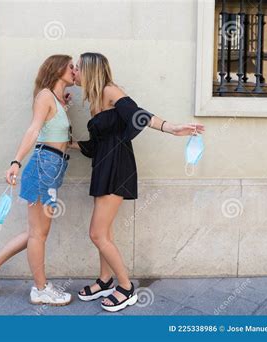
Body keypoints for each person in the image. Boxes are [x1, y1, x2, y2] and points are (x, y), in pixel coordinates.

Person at [70, 52, 205, 312]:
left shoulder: (111, 90)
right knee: (104, 232)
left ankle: (126, 287)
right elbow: (97, 143)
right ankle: (105, 280)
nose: (74, 72)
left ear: (90, 70)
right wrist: (68, 145)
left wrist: (172, 127)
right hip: (103, 165)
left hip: (118, 166)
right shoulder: (96, 100)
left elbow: (138, 115)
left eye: (77, 67)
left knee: (97, 233)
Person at [0, 54, 75, 306]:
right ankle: (40, 289)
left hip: (53, 168)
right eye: (71, 66)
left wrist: (64, 108)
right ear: (58, 69)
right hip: (43, 166)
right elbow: (34, 129)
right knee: (39, 234)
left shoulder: (58, 100)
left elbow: (56, 132)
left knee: (36, 232)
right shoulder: (44, 96)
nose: (75, 70)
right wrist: (16, 161)